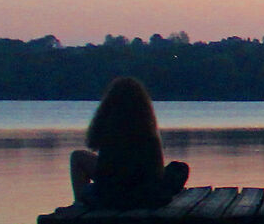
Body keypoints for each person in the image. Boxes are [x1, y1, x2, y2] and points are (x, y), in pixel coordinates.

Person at [69, 76, 191, 209]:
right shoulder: (148, 133)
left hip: (113, 196)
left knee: (77, 157)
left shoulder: (109, 129)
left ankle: (80, 205)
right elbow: (155, 172)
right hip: (144, 195)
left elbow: (105, 172)